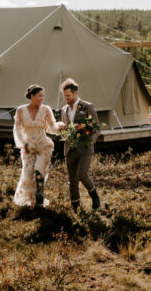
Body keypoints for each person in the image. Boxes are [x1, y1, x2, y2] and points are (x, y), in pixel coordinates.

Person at [57, 78, 102, 212]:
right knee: (72, 180)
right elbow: (67, 127)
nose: (66, 98)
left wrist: (90, 141)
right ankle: (76, 207)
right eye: (64, 96)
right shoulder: (64, 109)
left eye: (68, 96)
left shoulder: (88, 106)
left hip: (85, 147)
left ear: (76, 93)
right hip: (69, 148)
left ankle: (94, 196)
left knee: (82, 174)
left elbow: (97, 127)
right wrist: (62, 129)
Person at [12, 84, 58, 210]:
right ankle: (29, 199)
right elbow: (17, 129)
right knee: (28, 173)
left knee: (39, 171)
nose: (42, 98)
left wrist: (61, 127)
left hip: (43, 145)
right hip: (28, 146)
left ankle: (39, 200)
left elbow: (52, 126)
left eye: (43, 96)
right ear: (32, 96)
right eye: (39, 96)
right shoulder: (21, 110)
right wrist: (23, 144)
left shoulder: (46, 109)